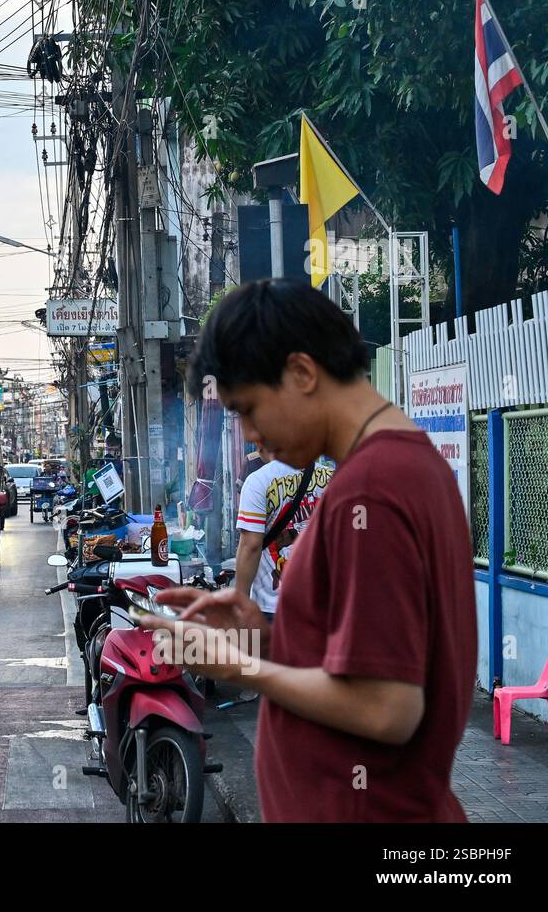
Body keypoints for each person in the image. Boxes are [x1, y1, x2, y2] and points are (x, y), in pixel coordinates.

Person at [137, 279, 476, 823]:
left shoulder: (373, 488)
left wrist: (242, 667)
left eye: (248, 409)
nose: (248, 435)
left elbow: (388, 708)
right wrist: (271, 635)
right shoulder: (394, 468)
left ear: (300, 373)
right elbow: (356, 658)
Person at [235, 443, 332, 620]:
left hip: (272, 609)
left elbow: (251, 546)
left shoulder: (258, 482)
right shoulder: (331, 477)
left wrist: (237, 604)